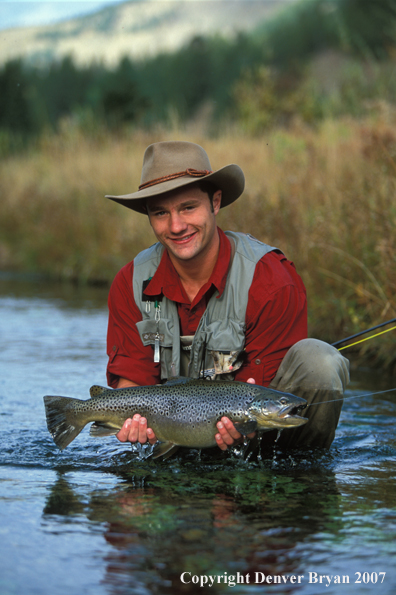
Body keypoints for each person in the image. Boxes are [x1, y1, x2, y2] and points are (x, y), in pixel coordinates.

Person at [105, 141, 349, 456]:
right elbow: (131, 382)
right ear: (149, 217)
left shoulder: (270, 280)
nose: (176, 226)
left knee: (321, 362)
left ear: (215, 202)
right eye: (161, 213)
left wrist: (237, 426)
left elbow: (263, 393)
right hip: (169, 436)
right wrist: (132, 422)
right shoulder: (130, 283)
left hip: (261, 442)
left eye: (188, 207)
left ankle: (302, 483)